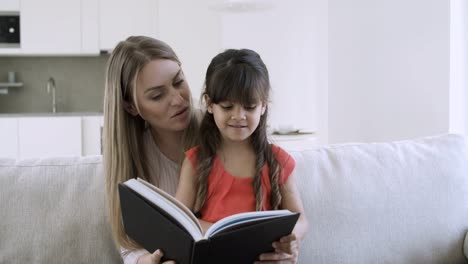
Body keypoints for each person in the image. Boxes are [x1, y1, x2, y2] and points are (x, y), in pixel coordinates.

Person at [175, 48, 309, 264]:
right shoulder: (196, 162)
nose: (239, 116)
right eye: (227, 107)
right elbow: (179, 221)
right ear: (209, 104)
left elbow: (300, 218)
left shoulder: (277, 161)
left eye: (249, 106)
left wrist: (293, 237)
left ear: (264, 105)